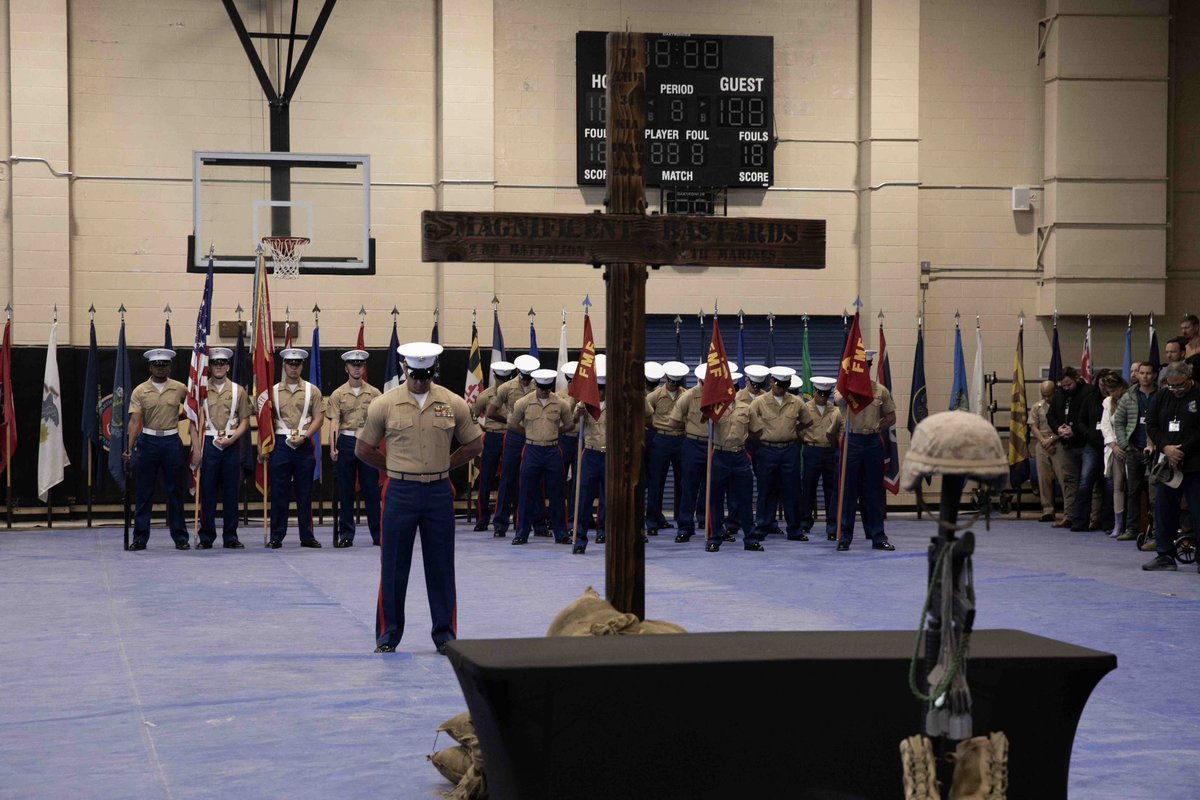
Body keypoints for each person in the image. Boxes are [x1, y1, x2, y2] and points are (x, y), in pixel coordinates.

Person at [357, 342, 483, 652]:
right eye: (415, 375)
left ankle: (445, 636)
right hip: (400, 492)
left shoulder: (453, 403)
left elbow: (474, 444)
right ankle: (388, 636)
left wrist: (447, 464)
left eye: (425, 376)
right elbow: (363, 448)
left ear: (433, 372)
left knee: (441, 567)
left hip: (438, 493)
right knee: (393, 566)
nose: (419, 382)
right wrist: (393, 466)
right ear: (404, 369)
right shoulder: (384, 404)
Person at [125, 348, 189, 551]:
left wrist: (180, 418)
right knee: (144, 492)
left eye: (164, 365)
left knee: (175, 491)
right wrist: (129, 448)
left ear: (169, 367)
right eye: (156, 365)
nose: (160, 368)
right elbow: (135, 421)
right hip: (148, 441)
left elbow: (193, 410)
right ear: (150, 367)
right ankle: (140, 538)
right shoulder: (140, 390)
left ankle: (180, 537)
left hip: (171, 441)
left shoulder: (180, 388)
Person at [189, 347, 251, 549]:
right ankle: (206, 537)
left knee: (231, 493)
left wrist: (232, 440)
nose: (219, 367)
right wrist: (197, 449)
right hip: (209, 444)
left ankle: (230, 536)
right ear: (210, 366)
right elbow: (193, 422)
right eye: (215, 363)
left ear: (228, 366)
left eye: (222, 363)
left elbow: (245, 421)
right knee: (207, 492)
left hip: (230, 445)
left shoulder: (238, 391)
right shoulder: (200, 390)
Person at [1141, 362, 1200, 572]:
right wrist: (1166, 447)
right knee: (1164, 510)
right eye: (1171, 385)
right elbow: (1151, 424)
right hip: (1168, 464)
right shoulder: (1161, 396)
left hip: (1194, 463)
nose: (1176, 390)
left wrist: (1181, 450)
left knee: (1197, 511)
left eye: (1180, 385)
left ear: (1189, 378)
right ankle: (1165, 555)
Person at [836, 350, 897, 552]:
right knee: (848, 491)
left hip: (872, 442)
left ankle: (878, 536)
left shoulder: (880, 390)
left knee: (873, 492)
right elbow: (837, 400)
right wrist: (849, 389)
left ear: (869, 367)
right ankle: (845, 537)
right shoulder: (845, 389)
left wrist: (878, 426)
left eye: (867, 366)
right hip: (852, 441)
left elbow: (891, 416)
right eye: (861, 366)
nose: (864, 369)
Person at [265, 347, 324, 549]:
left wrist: (305, 437)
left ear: (302, 366)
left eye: (297, 363)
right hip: (281, 444)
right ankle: (276, 536)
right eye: (290, 363)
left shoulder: (312, 390)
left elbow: (319, 418)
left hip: (304, 444)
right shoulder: (272, 391)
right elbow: (265, 420)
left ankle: (307, 536)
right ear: (284, 365)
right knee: (279, 493)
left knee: (305, 493)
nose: (294, 367)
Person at [509, 368, 572, 545]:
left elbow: (569, 424)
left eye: (547, 388)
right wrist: (529, 433)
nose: (545, 391)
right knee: (526, 492)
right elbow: (512, 424)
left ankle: (561, 533)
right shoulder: (523, 402)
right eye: (542, 388)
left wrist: (556, 432)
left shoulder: (561, 403)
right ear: (536, 385)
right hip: (532, 449)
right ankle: (522, 533)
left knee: (557, 493)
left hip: (552, 450)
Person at [327, 349, 382, 547]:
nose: (356, 368)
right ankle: (346, 535)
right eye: (353, 365)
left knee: (371, 490)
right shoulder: (338, 394)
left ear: (364, 368)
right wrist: (333, 447)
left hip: (367, 442)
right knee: (346, 490)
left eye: (360, 365)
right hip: (347, 442)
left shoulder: (375, 393)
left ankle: (378, 534)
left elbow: (379, 421)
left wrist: (375, 444)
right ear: (346, 368)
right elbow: (335, 422)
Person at [749, 366, 810, 539]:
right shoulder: (759, 402)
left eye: (785, 386)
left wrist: (792, 430)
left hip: (789, 450)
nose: (782, 389)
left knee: (792, 491)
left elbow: (807, 421)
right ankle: (763, 527)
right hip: (766, 450)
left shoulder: (796, 402)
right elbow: (749, 421)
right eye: (779, 385)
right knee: (765, 490)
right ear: (771, 382)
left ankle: (794, 530)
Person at [706, 372, 761, 552]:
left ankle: (750, 539)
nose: (730, 391)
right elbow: (702, 423)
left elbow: (757, 430)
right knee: (715, 499)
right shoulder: (713, 408)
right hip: (720, 455)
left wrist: (745, 447)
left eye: (733, 388)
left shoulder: (746, 408)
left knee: (745, 499)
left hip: (740, 456)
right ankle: (714, 538)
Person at [487, 354, 538, 536]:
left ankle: (531, 522)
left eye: (529, 377)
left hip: (533, 436)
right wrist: (509, 422)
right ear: (518, 372)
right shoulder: (506, 388)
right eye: (524, 377)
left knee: (533, 480)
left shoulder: (539, 386)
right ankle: (500, 524)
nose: (527, 381)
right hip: (515, 437)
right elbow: (490, 412)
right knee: (507, 479)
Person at [668, 364, 714, 543]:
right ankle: (685, 527)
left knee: (712, 488)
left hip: (714, 445)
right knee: (689, 488)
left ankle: (711, 524)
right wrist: (690, 427)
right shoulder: (688, 396)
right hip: (693, 444)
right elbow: (673, 422)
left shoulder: (720, 396)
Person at [1114, 361, 1158, 541]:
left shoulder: (1161, 395)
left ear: (1154, 375)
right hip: (1134, 449)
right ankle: (1131, 529)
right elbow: (1118, 422)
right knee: (1133, 491)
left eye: (1148, 373)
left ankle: (1155, 530)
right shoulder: (1129, 397)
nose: (1145, 377)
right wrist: (1124, 444)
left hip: (1155, 451)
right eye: (1142, 373)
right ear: (1137, 375)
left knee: (1154, 493)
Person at [646, 361, 689, 535]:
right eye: (671, 382)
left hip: (681, 439)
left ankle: (682, 520)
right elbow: (645, 415)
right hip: (661, 439)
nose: (673, 386)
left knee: (682, 482)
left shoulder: (686, 395)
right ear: (665, 379)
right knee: (656, 482)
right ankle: (652, 521)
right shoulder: (655, 396)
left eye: (676, 383)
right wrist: (655, 428)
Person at [471, 361, 514, 531]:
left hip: (511, 436)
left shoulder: (515, 394)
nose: (503, 382)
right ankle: (482, 519)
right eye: (501, 379)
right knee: (486, 478)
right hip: (493, 436)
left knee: (510, 478)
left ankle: (512, 516)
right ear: (495, 377)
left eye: (507, 379)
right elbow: (472, 416)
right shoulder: (485, 396)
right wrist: (481, 430)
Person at [799, 376, 842, 540]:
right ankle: (805, 522)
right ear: (814, 392)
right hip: (812, 450)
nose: (823, 397)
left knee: (831, 490)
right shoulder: (805, 408)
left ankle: (832, 526)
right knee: (808, 488)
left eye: (826, 394)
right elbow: (797, 428)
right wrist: (806, 440)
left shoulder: (835, 410)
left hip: (830, 451)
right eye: (820, 393)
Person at [1047, 367, 1089, 529]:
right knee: (1069, 481)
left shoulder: (1087, 392)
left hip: (1085, 443)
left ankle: (1091, 518)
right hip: (1067, 444)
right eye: (1063, 385)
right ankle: (1069, 515)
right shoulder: (1059, 395)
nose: (1066, 388)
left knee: (1087, 482)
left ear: (1076, 379)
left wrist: (1074, 430)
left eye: (1069, 384)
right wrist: (1058, 429)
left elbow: (1090, 418)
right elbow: (1050, 415)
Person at [1069, 369, 1110, 532]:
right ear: (1097, 382)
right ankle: (1080, 521)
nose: (1104, 386)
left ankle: (1107, 522)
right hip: (1092, 445)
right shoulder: (1090, 399)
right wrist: (1089, 434)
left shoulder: (1116, 400)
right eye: (1102, 382)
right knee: (1085, 482)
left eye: (1108, 383)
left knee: (1109, 484)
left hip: (1110, 447)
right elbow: (1080, 421)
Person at [1027, 380, 1062, 523]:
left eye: (1049, 395)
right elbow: (1033, 426)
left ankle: (1069, 510)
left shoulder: (1060, 405)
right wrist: (1043, 441)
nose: (1046, 398)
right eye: (1044, 395)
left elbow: (1065, 424)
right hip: (1042, 442)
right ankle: (1048, 510)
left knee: (1063, 477)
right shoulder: (1037, 406)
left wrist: (1052, 440)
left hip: (1058, 442)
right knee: (1043, 478)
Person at [1098, 372, 1128, 535]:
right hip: (1115, 448)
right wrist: (1114, 446)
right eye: (1109, 391)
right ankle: (1118, 524)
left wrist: (1125, 445)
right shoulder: (1108, 402)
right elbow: (1105, 426)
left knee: (1133, 488)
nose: (1112, 394)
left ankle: (1132, 523)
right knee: (1118, 486)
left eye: (1114, 390)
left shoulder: (1130, 399)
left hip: (1130, 447)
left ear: (1121, 387)